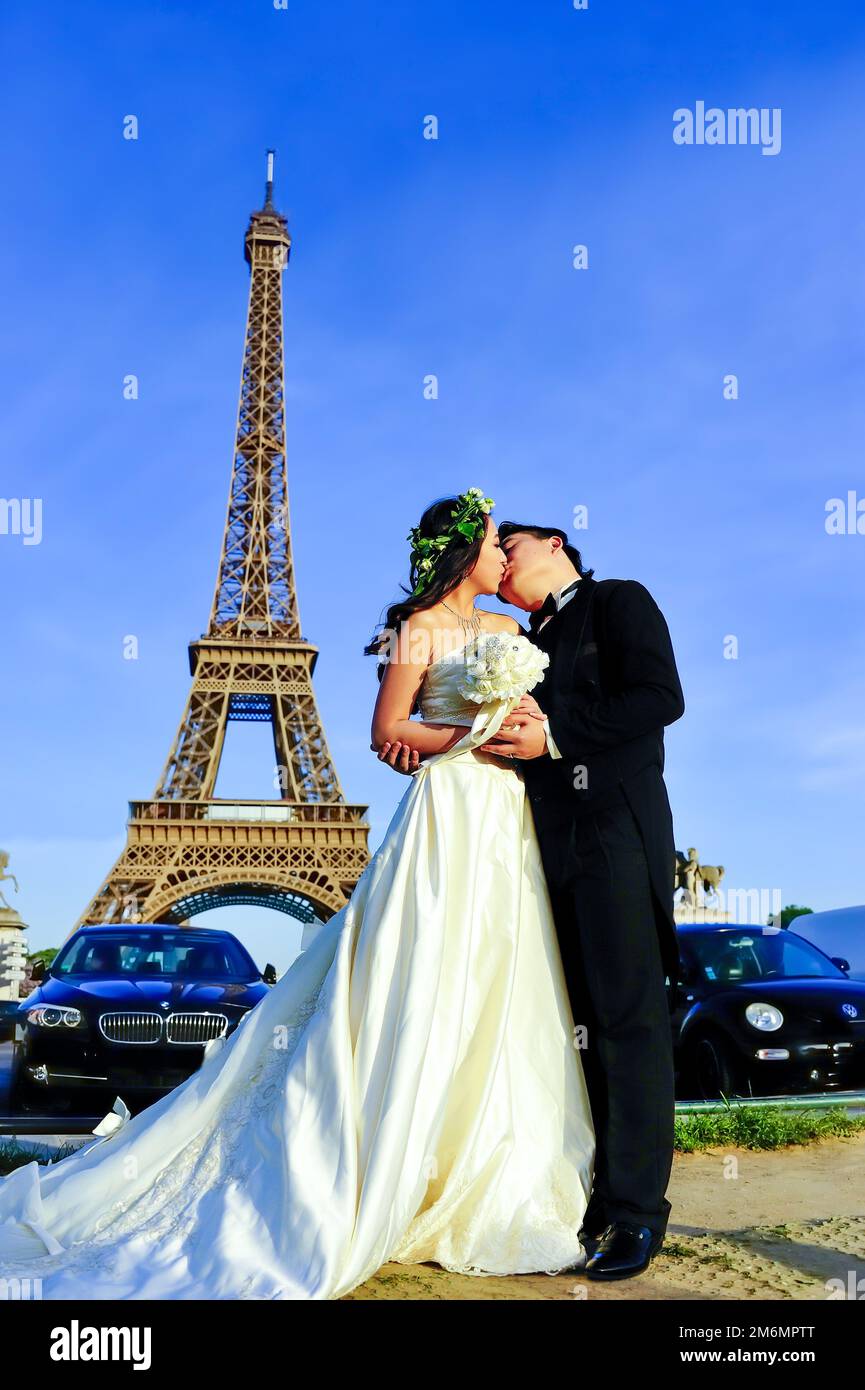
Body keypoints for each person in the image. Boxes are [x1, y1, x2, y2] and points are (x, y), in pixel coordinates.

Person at [0, 490, 595, 1300]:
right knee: (417, 975)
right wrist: (473, 734)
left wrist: (523, 735)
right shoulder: (416, 629)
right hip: (448, 810)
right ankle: (372, 1162)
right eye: (496, 542)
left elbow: (547, 722)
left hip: (503, 820)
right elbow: (391, 730)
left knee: (498, 977)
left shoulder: (511, 635)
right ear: (464, 551)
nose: (504, 556)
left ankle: (478, 1171)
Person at [379, 520, 685, 1279]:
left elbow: (659, 697)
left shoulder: (618, 601)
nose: (501, 558)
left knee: (624, 1022)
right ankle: (573, 1194)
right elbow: (448, 721)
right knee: (559, 1027)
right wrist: (426, 744)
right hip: (522, 849)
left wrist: (551, 737)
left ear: (553, 542)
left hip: (611, 837)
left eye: (508, 546)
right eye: (492, 548)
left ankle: (635, 1215)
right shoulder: (507, 635)